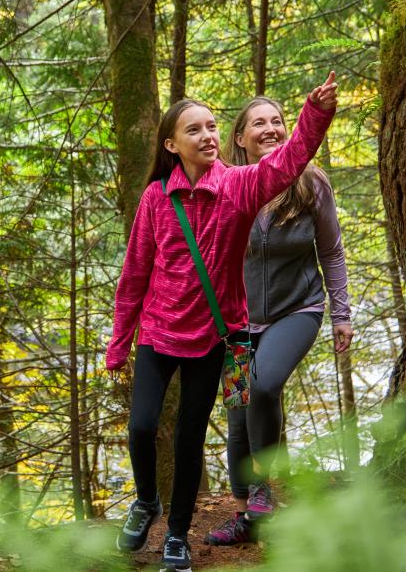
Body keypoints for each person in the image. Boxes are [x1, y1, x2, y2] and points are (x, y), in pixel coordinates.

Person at [107, 73, 338, 572]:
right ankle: (186, 504)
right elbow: (134, 273)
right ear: (172, 144)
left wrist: (313, 115)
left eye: (212, 126)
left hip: (228, 331)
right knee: (179, 421)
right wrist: (119, 342)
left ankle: (197, 525)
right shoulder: (158, 198)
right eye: (195, 130)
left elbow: (292, 161)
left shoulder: (242, 187)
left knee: (223, 413)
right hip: (192, 331)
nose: (208, 136)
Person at [204, 95, 354, 547]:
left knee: (264, 384)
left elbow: (330, 249)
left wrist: (341, 314)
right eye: (258, 123)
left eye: (277, 122)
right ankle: (249, 511)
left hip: (297, 309)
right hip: (236, 323)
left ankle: (263, 494)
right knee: (237, 412)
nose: (270, 129)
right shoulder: (225, 186)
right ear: (239, 138)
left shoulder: (311, 183)